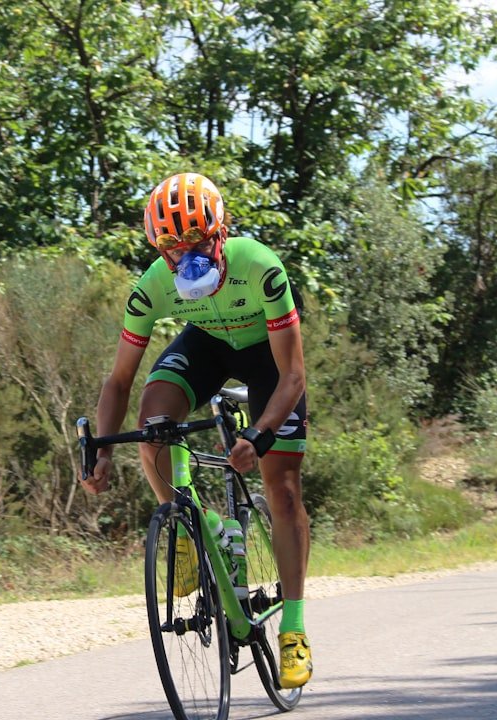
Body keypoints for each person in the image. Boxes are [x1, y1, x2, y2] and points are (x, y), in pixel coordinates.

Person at [80, 172, 313, 689]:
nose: (187, 256)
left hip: (267, 360)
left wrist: (262, 434)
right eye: (170, 246)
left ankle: (293, 628)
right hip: (205, 345)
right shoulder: (153, 287)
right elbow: (118, 381)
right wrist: (101, 450)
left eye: (197, 241)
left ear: (221, 231)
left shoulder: (261, 268)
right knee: (152, 423)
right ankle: (194, 524)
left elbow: (293, 375)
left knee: (283, 486)